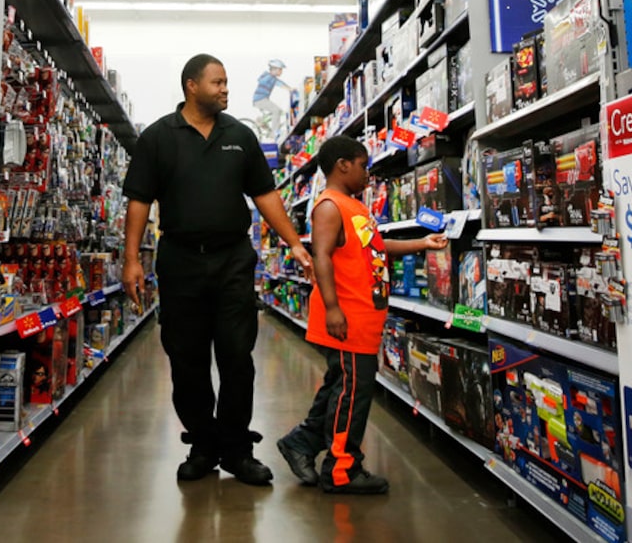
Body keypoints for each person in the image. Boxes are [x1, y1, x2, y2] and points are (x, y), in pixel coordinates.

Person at [122, 53, 312, 485]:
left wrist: (296, 245)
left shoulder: (240, 136)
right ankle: (204, 445)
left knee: (236, 356)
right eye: (218, 82)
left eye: (227, 82)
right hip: (180, 260)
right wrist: (132, 259)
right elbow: (139, 201)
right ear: (192, 85)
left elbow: (265, 197)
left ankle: (236, 450)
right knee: (186, 359)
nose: (226, 89)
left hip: (231, 260)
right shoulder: (157, 137)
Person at [276, 135, 449, 494]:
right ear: (343, 165)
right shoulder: (329, 206)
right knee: (353, 394)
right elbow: (321, 256)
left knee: (340, 389)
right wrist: (334, 308)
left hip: (363, 319)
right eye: (362, 165)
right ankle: (342, 470)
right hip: (347, 320)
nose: (367, 173)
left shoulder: (356, 208)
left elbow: (377, 247)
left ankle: (302, 443)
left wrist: (422, 242)